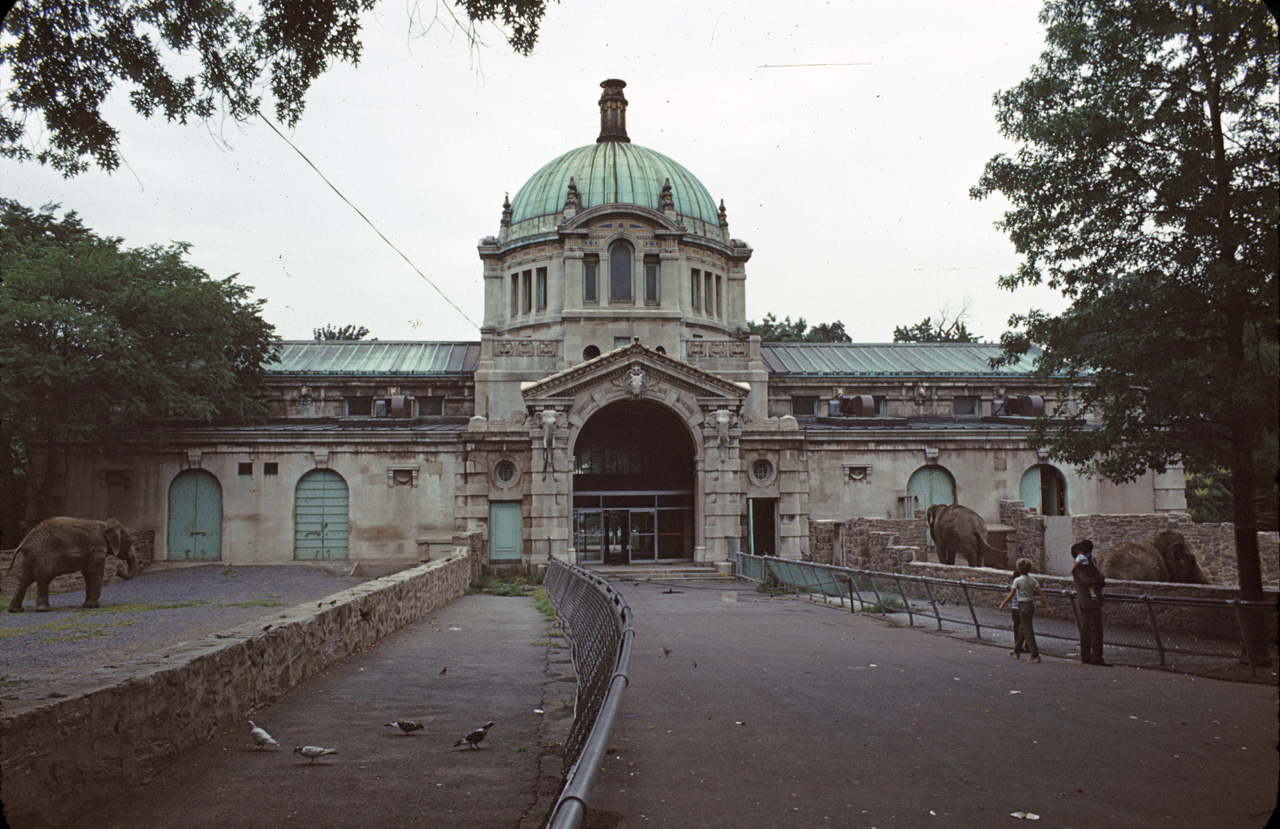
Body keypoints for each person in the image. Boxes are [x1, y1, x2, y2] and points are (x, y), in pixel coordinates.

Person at [998, 558, 1053, 663]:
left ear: (1018, 568)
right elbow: (1041, 593)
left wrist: (1003, 604)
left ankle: (1035, 654)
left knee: (1027, 630)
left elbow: (1011, 594)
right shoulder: (1032, 580)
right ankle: (1016, 650)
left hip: (1022, 605)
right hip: (1030, 605)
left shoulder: (1017, 580)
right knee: (1023, 627)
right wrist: (1047, 606)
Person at [1071, 539, 1110, 666]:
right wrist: (1099, 579)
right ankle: (1095, 657)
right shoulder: (1082, 569)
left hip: (1086, 602)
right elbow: (1087, 581)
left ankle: (1087, 656)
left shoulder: (1083, 567)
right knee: (1095, 630)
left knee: (1087, 629)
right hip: (1089, 602)